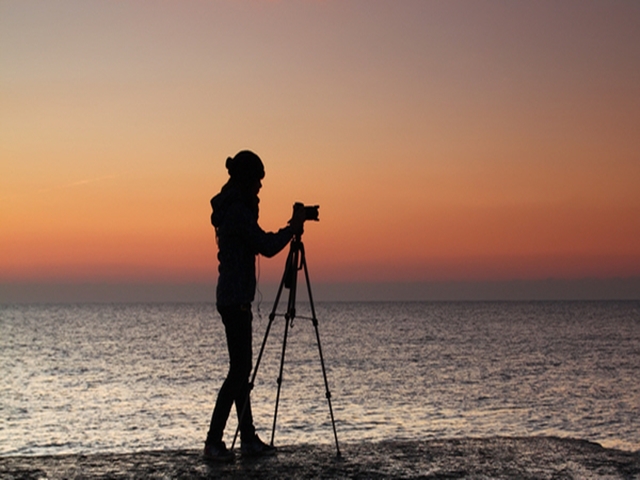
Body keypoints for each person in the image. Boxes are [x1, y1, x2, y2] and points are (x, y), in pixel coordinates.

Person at [204, 150, 305, 462]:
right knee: (238, 372)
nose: (260, 188)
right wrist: (292, 229)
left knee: (241, 371)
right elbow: (266, 246)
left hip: (234, 298)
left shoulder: (235, 208)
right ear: (247, 180)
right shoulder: (237, 212)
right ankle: (213, 442)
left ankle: (247, 439)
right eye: (258, 182)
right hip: (235, 300)